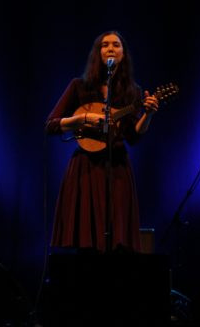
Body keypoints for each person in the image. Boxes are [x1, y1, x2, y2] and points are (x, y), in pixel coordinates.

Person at [45, 30, 159, 254]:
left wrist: (148, 114)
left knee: (116, 244)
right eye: (104, 45)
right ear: (98, 53)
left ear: (123, 54)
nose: (110, 48)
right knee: (86, 244)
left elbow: (134, 137)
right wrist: (83, 118)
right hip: (85, 168)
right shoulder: (79, 86)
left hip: (117, 169)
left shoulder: (132, 92)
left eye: (116, 45)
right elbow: (51, 125)